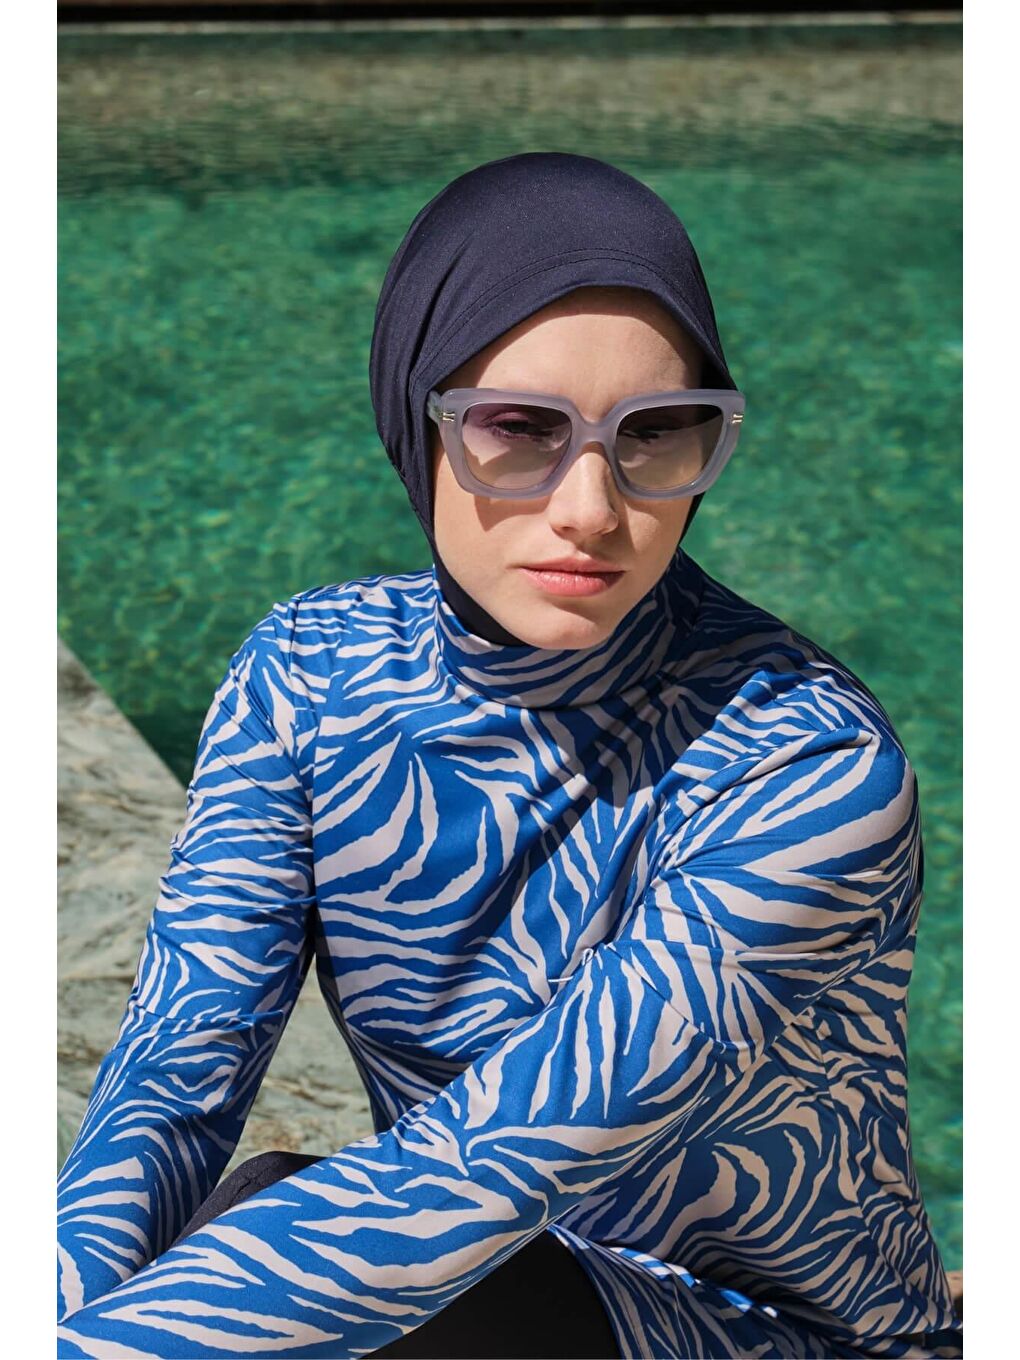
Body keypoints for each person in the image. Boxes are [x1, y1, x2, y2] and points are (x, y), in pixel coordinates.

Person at [56, 152, 962, 1359]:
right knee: (240, 1219)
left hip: (765, 1334)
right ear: (415, 415)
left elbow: (474, 1174)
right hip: (481, 1275)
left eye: (658, 433)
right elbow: (177, 1074)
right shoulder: (307, 676)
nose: (591, 506)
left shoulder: (809, 768)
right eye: (519, 428)